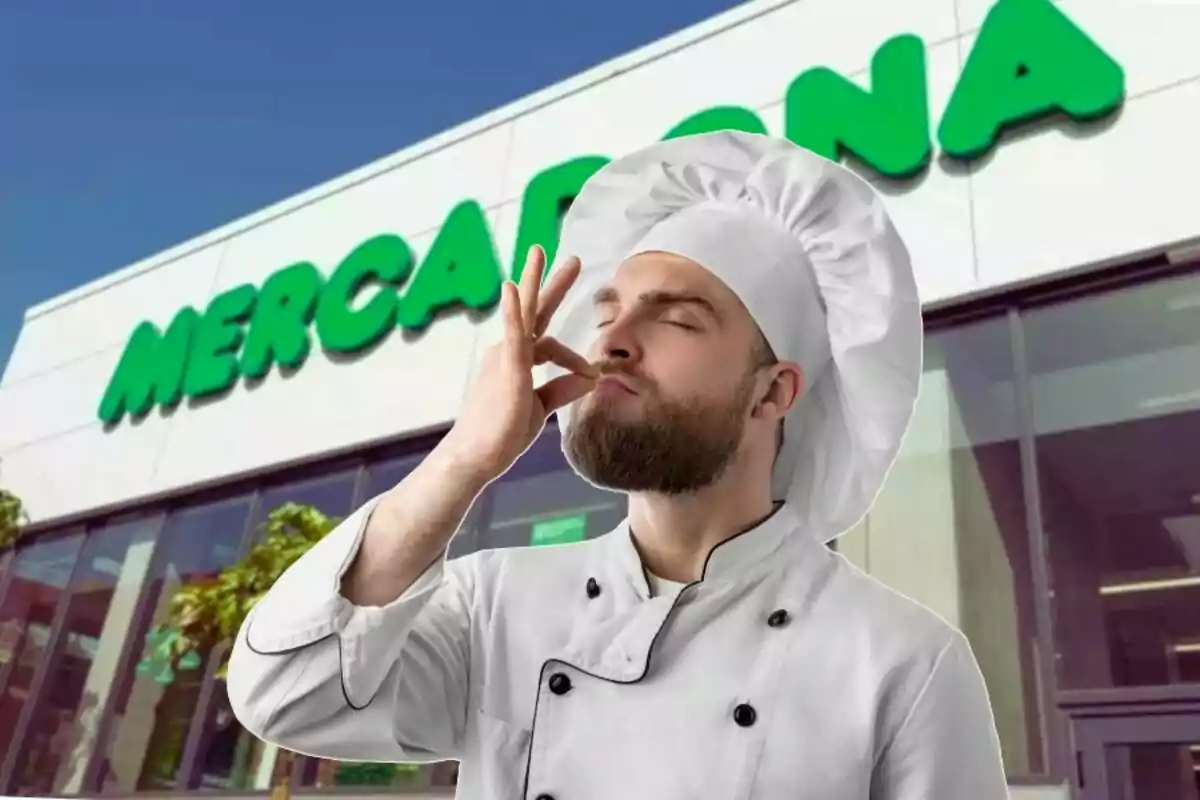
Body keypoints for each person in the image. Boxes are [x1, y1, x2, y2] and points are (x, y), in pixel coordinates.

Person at [227, 131, 1009, 799]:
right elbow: (285, 696)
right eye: (609, 312)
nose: (612, 341)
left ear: (773, 392)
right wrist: (465, 457)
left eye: (677, 319)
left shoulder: (902, 661)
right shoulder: (494, 605)